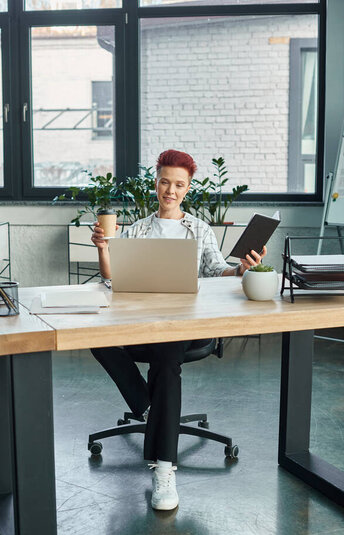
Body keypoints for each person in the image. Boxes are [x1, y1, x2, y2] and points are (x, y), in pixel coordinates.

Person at [90, 149, 266, 511]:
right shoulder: (138, 228)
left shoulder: (199, 228)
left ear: (188, 188)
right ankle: (150, 405)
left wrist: (242, 269)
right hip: (141, 322)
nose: (171, 190)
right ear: (155, 182)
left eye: (179, 184)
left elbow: (219, 270)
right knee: (93, 333)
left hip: (188, 323)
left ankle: (165, 469)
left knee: (167, 354)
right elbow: (114, 279)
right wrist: (105, 249)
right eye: (165, 182)